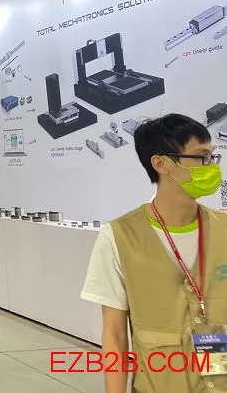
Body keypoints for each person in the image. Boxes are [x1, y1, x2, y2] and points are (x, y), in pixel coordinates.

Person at [81, 114, 227, 393]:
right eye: (201, 157)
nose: (211, 166)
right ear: (161, 164)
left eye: (212, 157)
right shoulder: (119, 237)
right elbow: (114, 336)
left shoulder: (224, 229)